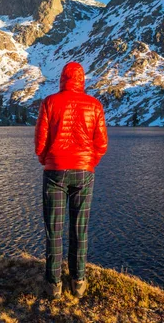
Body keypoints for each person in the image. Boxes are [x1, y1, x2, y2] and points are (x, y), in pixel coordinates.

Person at [34, 61, 108, 299]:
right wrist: (88, 162)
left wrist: (49, 160)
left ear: (62, 78)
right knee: (80, 230)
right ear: (82, 79)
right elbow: (101, 144)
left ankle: (54, 285)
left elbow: (40, 143)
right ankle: (78, 282)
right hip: (84, 173)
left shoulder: (50, 102)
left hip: (55, 172)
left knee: (54, 231)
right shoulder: (95, 105)